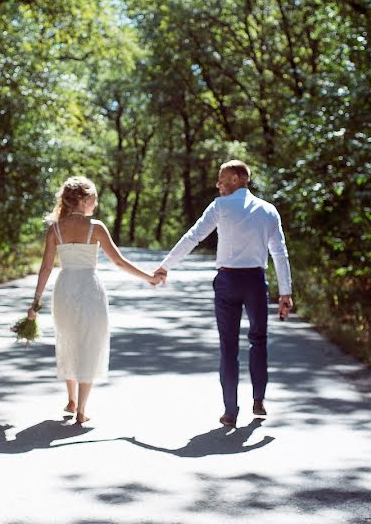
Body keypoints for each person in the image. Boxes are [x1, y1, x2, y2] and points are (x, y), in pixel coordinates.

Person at [154, 160, 293, 427]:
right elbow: (279, 253)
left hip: (228, 280)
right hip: (255, 280)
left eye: (222, 179)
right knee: (259, 341)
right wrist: (285, 293)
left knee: (228, 348)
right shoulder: (268, 210)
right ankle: (259, 399)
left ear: (238, 178)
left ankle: (231, 412)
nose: (218, 184)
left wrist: (165, 266)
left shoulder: (220, 206)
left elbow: (193, 237)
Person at [27, 176, 159, 425]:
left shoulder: (54, 229)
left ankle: (71, 399)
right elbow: (119, 262)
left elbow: (45, 269)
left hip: (64, 289)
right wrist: (148, 278)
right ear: (83, 199)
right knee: (89, 344)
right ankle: (81, 410)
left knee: (67, 340)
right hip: (89, 288)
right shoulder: (95, 227)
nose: (96, 203)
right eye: (94, 198)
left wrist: (35, 304)